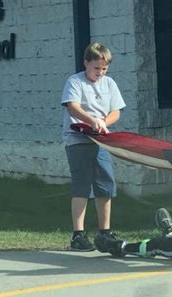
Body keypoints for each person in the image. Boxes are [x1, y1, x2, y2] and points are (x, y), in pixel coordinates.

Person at [61, 42, 126, 251]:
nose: (100, 73)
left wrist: (104, 123)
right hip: (77, 139)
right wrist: (91, 120)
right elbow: (73, 106)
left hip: (100, 140)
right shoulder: (75, 82)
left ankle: (105, 233)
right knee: (82, 185)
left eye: (104, 69)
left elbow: (116, 110)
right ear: (86, 63)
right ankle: (78, 236)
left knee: (105, 184)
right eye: (96, 68)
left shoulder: (109, 84)